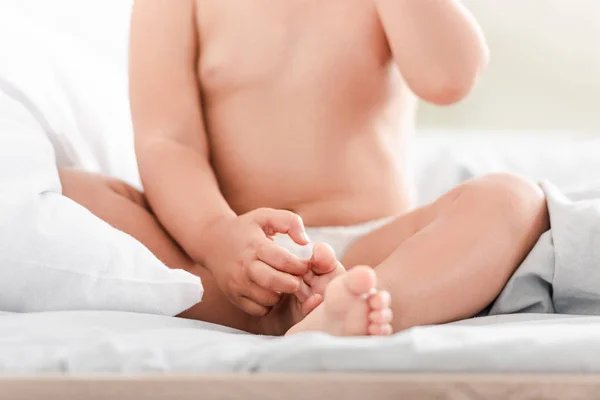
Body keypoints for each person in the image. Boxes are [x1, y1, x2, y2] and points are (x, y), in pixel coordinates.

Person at [59, 0, 549, 336]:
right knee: (68, 193)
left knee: (514, 200)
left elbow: (450, 77)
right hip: (234, 250)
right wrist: (216, 236)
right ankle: (266, 313)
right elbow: (168, 140)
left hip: (369, 249)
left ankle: (373, 302)